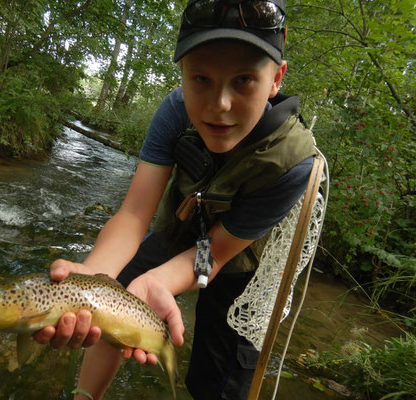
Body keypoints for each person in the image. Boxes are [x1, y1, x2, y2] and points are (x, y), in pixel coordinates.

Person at [34, 0, 318, 398]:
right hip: (182, 229)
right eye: (201, 79)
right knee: (121, 286)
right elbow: (134, 215)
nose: (220, 104)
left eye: (243, 81)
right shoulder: (174, 112)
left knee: (216, 380)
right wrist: (89, 284)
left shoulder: (294, 164)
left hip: (238, 262)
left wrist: (166, 279)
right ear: (182, 76)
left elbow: (215, 255)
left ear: (276, 79)